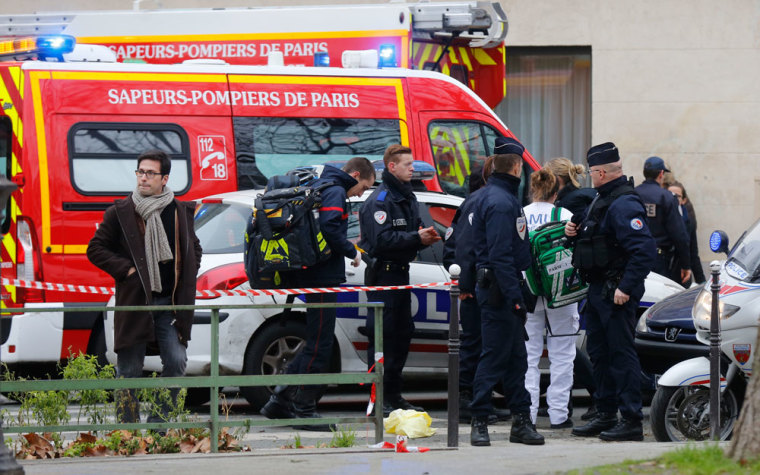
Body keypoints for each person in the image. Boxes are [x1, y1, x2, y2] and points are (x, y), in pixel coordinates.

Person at [87, 149, 202, 427]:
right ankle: (127, 431)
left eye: (150, 173)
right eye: (140, 172)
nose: (143, 178)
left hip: (171, 304)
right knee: (128, 370)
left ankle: (158, 427)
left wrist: (187, 275)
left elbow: (195, 248)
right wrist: (126, 270)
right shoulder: (121, 212)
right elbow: (96, 249)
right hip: (136, 303)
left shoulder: (180, 211)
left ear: (164, 178)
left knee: (176, 363)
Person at [261, 157, 376, 430]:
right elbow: (330, 227)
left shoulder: (320, 184)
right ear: (356, 174)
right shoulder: (335, 189)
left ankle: (280, 400)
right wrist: (353, 253)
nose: (360, 193)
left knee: (315, 341)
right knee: (320, 344)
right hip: (322, 277)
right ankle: (304, 407)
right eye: (363, 187)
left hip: (313, 274)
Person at [566, 142, 656, 441]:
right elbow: (595, 240)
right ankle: (605, 413)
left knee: (621, 355)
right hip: (598, 290)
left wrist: (625, 288)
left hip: (615, 292)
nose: (590, 176)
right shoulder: (602, 200)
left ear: (601, 172)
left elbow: (643, 251)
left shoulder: (624, 204)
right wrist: (572, 233)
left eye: (591, 172)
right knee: (600, 355)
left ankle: (630, 420)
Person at [469, 138, 544, 447]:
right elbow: (501, 255)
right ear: (515, 166)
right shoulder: (500, 202)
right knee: (494, 358)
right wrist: (516, 297)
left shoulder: (498, 196)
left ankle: (521, 421)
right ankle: (480, 421)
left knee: (516, 360)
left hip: (501, 289)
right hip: (500, 291)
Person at [359, 144, 441, 415]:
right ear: (391, 167)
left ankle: (393, 395)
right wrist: (416, 238)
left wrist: (422, 236)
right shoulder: (380, 201)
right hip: (383, 275)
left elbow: (412, 230)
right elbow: (381, 241)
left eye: (412, 164)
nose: (412, 168)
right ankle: (377, 398)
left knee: (402, 335)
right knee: (381, 338)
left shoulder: (408, 197)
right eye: (407, 164)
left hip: (401, 273)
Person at [442, 161, 510, 424]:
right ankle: (466, 401)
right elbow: (459, 250)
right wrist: (465, 285)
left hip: (479, 289)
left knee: (483, 347)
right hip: (475, 291)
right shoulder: (475, 207)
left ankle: (481, 399)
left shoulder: (474, 205)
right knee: (473, 347)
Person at [522, 168, 579, 430]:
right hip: (561, 292)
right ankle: (558, 415)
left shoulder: (522, 214)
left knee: (529, 356)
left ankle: (528, 414)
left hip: (529, 292)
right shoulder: (564, 215)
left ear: (533, 190)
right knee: (563, 355)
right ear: (556, 193)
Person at [545, 156, 598, 421]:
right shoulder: (581, 197)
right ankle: (562, 403)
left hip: (568, 279)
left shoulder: (568, 204)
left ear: (556, 179)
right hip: (579, 278)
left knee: (567, 347)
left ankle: (595, 393)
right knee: (566, 345)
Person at [634, 156, 691, 285]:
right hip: (658, 260)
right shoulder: (667, 198)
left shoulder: (633, 194)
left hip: (633, 256)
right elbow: (679, 234)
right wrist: (685, 265)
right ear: (661, 174)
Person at [668, 181, 706, 285]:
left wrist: (701, 282)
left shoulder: (688, 221)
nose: (673, 199)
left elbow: (693, 253)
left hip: (681, 275)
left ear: (684, 200)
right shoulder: (661, 220)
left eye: (677, 196)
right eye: (670, 195)